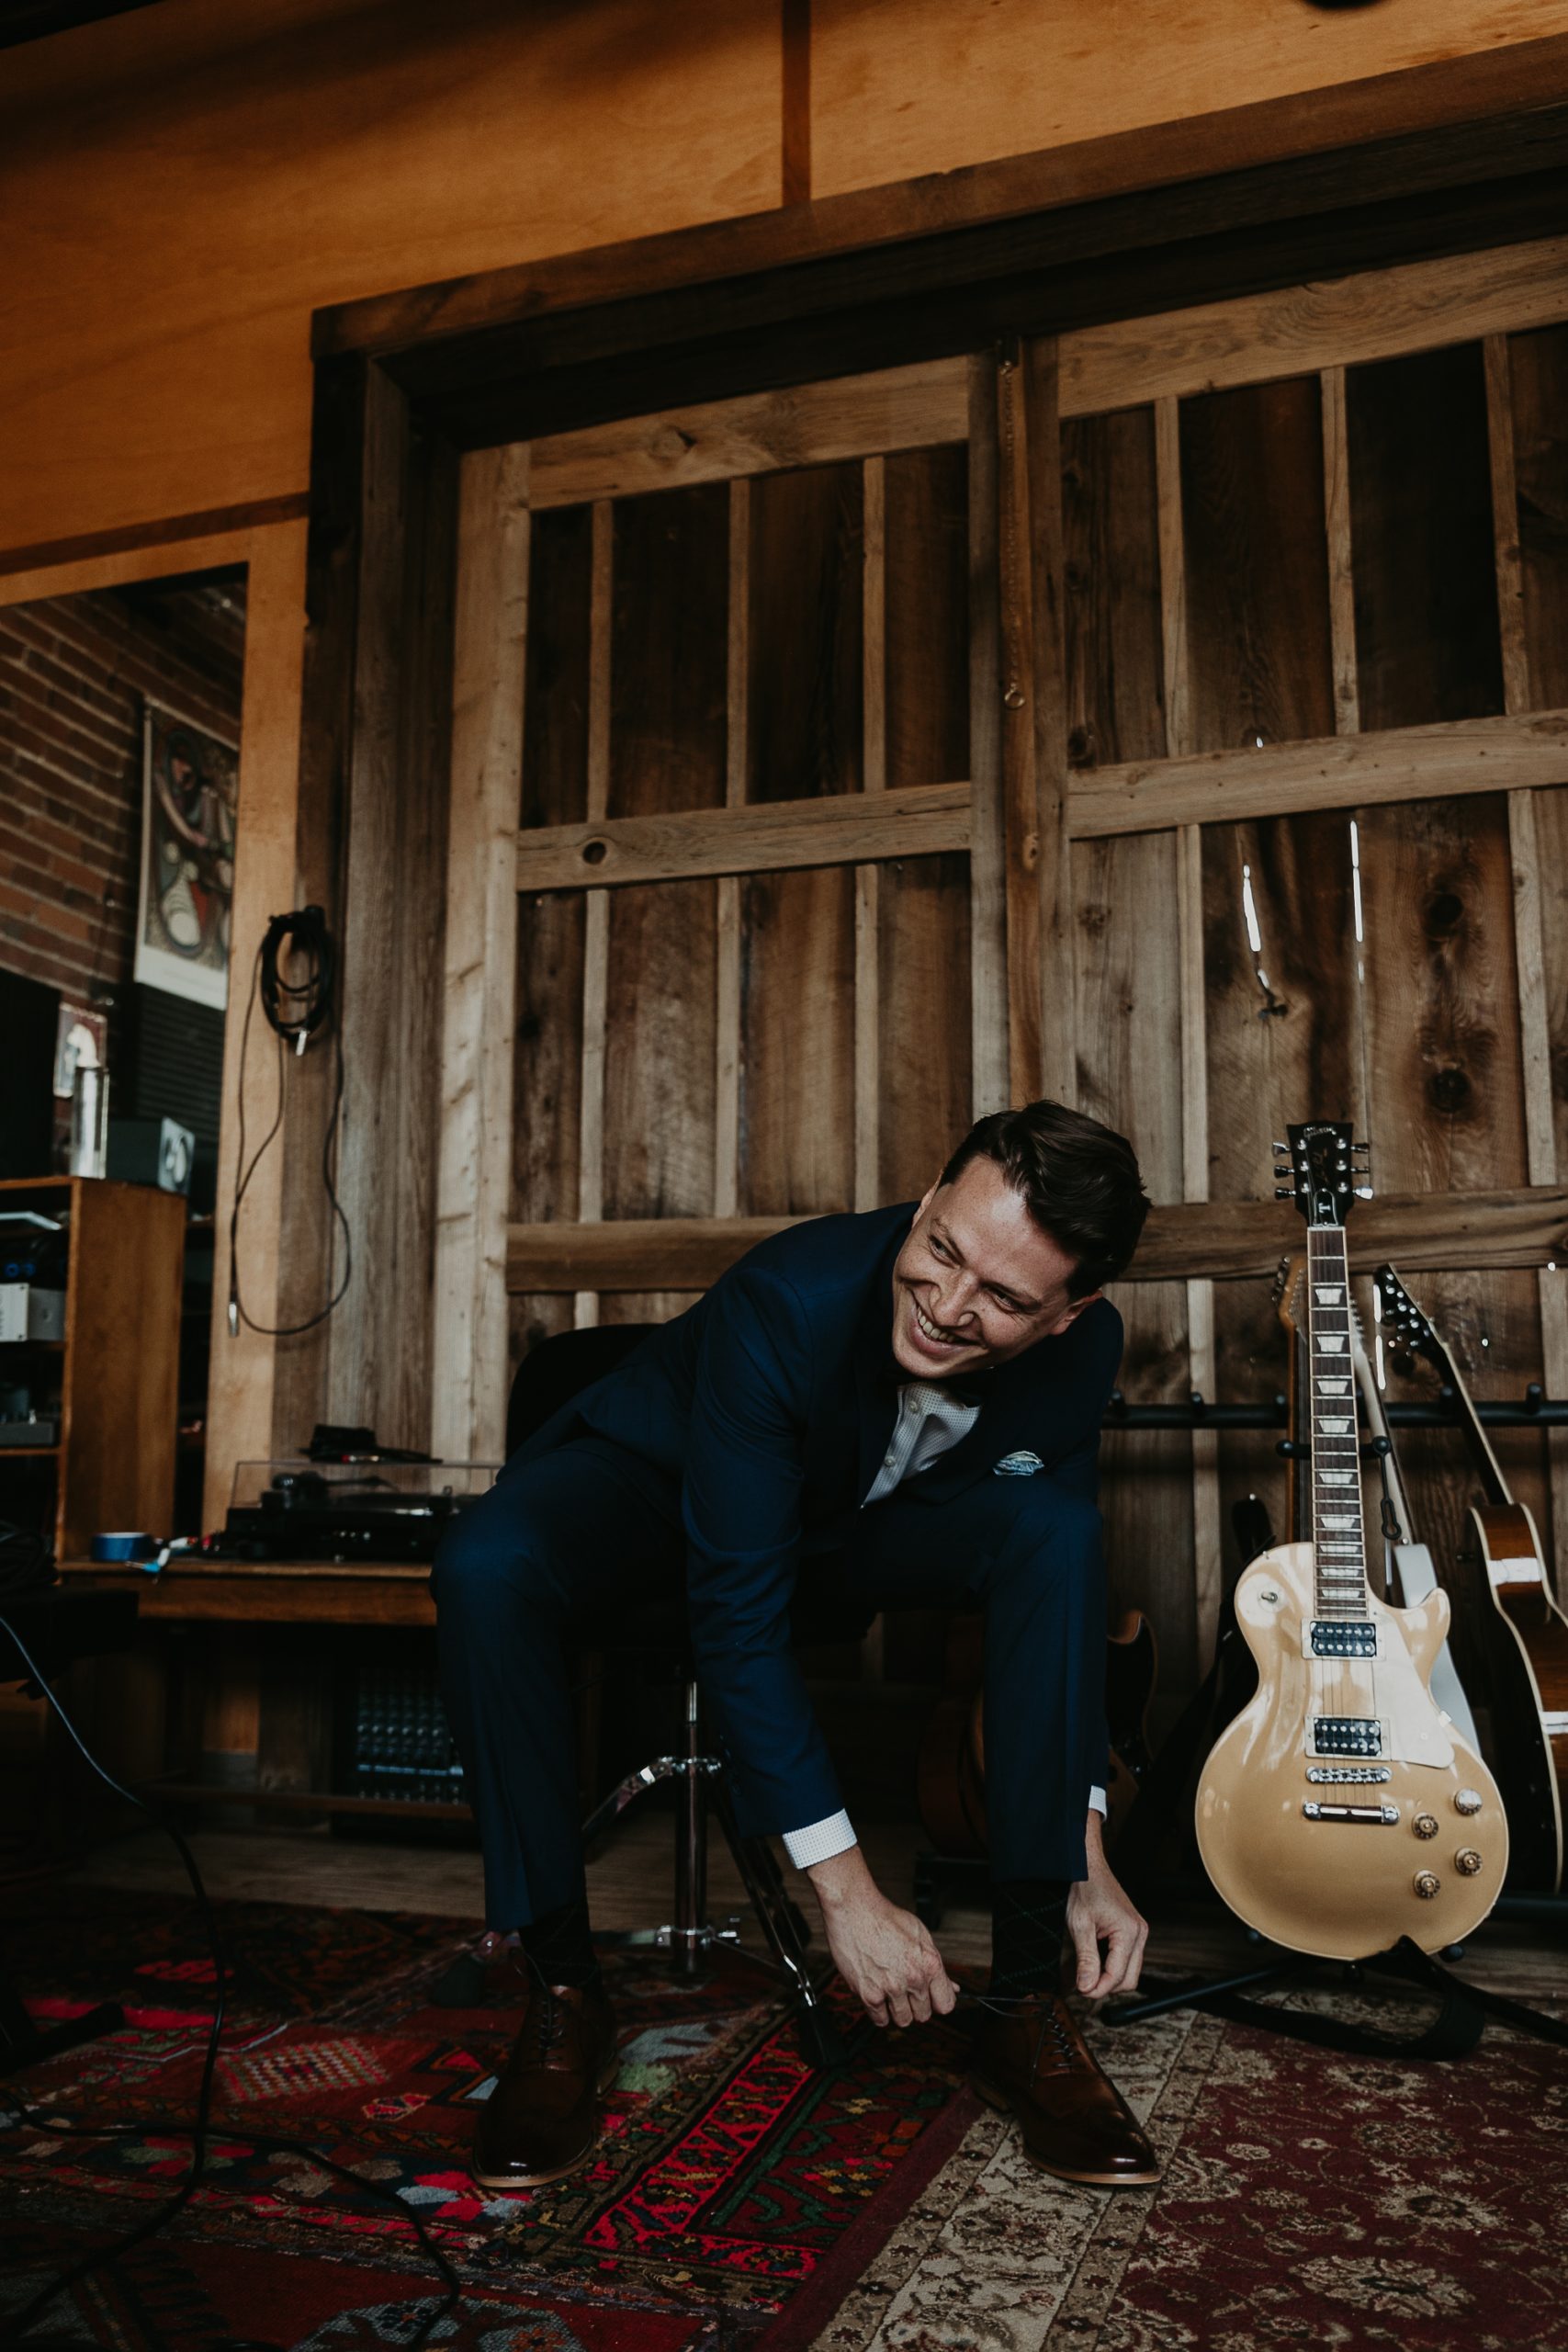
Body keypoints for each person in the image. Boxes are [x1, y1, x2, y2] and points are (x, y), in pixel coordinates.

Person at [433, 1099, 1159, 2194]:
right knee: (484, 1566)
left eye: (1004, 1299)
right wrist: (849, 1894)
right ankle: (564, 1990)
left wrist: (1083, 1844)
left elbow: (1059, 1558)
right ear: (924, 1202)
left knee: (1058, 1531)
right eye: (941, 1251)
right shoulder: (790, 1298)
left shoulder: (1081, 1351)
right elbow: (738, 1610)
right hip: (654, 1481)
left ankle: (1023, 2003)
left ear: (1069, 1313)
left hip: (847, 1521)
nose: (948, 1307)